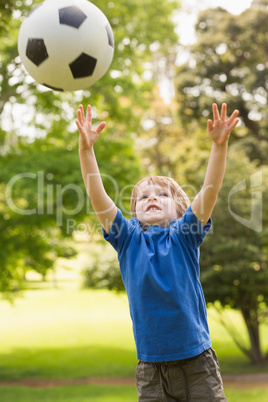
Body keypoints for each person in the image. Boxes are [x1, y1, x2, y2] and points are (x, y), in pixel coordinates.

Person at [76, 103, 239, 401]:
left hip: (196, 362)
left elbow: (210, 190)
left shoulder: (184, 235)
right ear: (134, 211)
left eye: (162, 194)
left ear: (180, 210)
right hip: (150, 368)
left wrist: (219, 145)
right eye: (142, 197)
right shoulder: (127, 239)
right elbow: (96, 194)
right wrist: (86, 151)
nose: (151, 199)